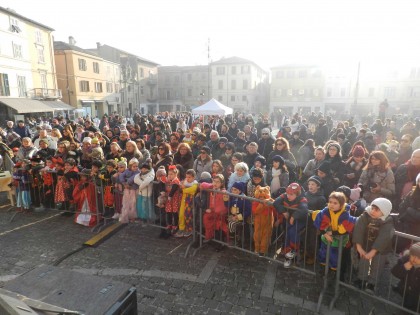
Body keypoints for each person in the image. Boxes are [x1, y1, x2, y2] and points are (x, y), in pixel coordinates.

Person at [352, 198, 394, 293]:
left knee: (377, 265)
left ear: (384, 211)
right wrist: (359, 246)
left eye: (377, 210)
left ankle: (372, 283)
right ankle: (361, 279)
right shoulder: (365, 215)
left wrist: (373, 251)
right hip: (365, 244)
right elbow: (359, 229)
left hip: (381, 248)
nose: (373, 211)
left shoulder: (388, 221)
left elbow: (384, 237)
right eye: (372, 208)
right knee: (363, 261)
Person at [313, 192, 355, 273]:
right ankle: (323, 269)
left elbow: (344, 229)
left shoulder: (345, 214)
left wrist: (332, 233)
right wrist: (325, 234)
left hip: (339, 238)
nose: (331, 205)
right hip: (326, 236)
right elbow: (320, 222)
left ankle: (333, 272)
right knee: (323, 252)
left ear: (341, 204)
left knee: (334, 255)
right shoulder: (326, 211)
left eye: (335, 203)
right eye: (330, 202)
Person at [273, 183, 309, 268]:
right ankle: (287, 254)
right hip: (288, 221)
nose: (288, 196)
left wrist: (293, 216)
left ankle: (294, 252)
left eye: (291, 194)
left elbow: (304, 209)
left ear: (297, 193)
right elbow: (276, 203)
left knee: (292, 233)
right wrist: (284, 211)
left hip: (299, 221)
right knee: (287, 235)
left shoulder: (302, 199)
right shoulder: (284, 195)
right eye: (288, 193)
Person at [391, 242, 420, 312]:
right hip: (405, 291)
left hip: (417, 295)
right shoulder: (406, 260)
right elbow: (394, 271)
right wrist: (404, 268)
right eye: (413, 255)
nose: (414, 259)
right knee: (406, 307)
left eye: (418, 257)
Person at [201, 174, 229, 246]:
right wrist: (211, 185)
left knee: (218, 226)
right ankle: (209, 236)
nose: (215, 183)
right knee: (206, 217)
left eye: (218, 182)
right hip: (213, 211)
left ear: (222, 183)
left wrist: (214, 210)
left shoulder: (223, 192)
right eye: (214, 181)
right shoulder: (212, 188)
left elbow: (224, 206)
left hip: (220, 213)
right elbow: (203, 184)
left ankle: (217, 242)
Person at [175, 169, 198, 238]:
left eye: (189, 177)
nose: (187, 179)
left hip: (190, 202)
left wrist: (184, 189)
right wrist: (184, 189)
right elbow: (183, 189)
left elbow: (191, 190)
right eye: (186, 177)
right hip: (183, 201)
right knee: (181, 215)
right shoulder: (184, 182)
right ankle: (181, 228)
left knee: (188, 216)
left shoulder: (195, 184)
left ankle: (189, 229)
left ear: (193, 177)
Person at [119, 158, 140, 223]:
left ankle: (133, 217)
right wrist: (123, 183)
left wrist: (127, 183)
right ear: (130, 166)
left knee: (133, 204)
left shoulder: (138, 171)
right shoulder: (127, 170)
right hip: (127, 190)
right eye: (134, 166)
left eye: (136, 166)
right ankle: (126, 216)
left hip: (134, 190)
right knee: (126, 203)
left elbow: (134, 177)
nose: (136, 167)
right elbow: (121, 175)